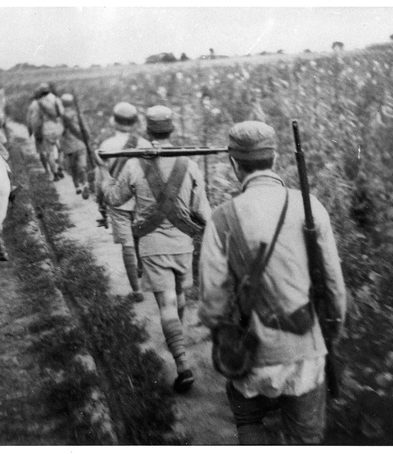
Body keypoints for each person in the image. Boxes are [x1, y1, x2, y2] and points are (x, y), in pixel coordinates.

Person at [198, 121, 347, 444]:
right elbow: (335, 287)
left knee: (248, 417)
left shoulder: (221, 218)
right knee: (305, 438)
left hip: (253, 358)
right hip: (306, 353)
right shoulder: (310, 207)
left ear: (234, 164)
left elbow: (211, 304)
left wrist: (225, 336)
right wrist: (328, 336)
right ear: (275, 159)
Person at [98, 105, 212, 393]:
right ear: (171, 130)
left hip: (151, 246)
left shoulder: (134, 165)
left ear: (148, 132)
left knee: (167, 305)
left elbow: (113, 198)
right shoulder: (191, 165)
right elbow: (203, 212)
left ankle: (182, 364)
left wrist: (104, 174)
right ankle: (180, 342)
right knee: (180, 298)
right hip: (183, 244)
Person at [95, 102, 152, 302]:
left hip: (118, 201)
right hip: (141, 199)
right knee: (139, 235)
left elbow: (101, 178)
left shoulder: (106, 146)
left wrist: (100, 200)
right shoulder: (144, 144)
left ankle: (136, 291)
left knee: (126, 244)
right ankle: (141, 269)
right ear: (135, 122)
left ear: (114, 122)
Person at [26, 82, 65, 181]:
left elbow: (34, 119)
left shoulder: (37, 103)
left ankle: (55, 174)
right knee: (61, 149)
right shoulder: (56, 99)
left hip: (46, 128)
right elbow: (62, 114)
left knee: (50, 153)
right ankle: (60, 166)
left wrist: (32, 131)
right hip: (58, 127)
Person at [59, 93, 91, 199]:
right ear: (72, 103)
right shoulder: (78, 114)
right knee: (83, 165)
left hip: (68, 144)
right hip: (80, 142)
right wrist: (88, 139)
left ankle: (77, 186)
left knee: (72, 166)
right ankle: (85, 183)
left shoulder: (61, 116)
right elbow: (85, 129)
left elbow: (59, 131)